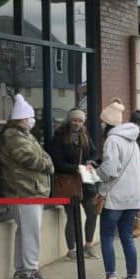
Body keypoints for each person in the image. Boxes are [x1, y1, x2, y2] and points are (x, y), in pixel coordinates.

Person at [0, 93, 54, 279]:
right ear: (22, 118)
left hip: (30, 190)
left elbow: (42, 153)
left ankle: (22, 269)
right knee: (31, 232)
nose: (33, 121)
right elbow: (30, 158)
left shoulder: (25, 135)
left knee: (25, 231)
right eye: (30, 117)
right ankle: (30, 270)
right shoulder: (12, 136)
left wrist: (46, 160)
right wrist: (48, 165)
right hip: (23, 191)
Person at [93, 98, 140, 279]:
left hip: (115, 198)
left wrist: (94, 174)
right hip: (132, 198)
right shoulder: (133, 142)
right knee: (127, 238)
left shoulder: (112, 140)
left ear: (107, 124)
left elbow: (110, 169)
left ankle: (111, 277)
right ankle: (132, 278)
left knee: (106, 236)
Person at [50, 108, 101, 261]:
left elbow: (94, 152)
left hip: (86, 181)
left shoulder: (85, 135)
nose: (77, 123)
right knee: (72, 217)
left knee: (91, 213)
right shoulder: (59, 137)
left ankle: (89, 246)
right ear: (69, 120)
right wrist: (75, 169)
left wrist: (91, 163)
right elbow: (56, 161)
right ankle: (71, 250)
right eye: (74, 120)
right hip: (70, 181)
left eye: (80, 121)